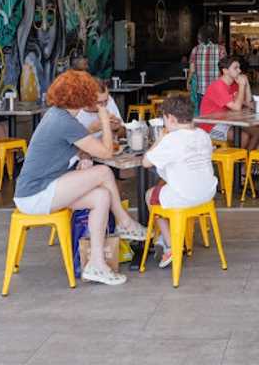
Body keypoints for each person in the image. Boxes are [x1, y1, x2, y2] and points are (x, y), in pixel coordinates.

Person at [13, 70, 147, 286]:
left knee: (101, 196)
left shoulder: (58, 115)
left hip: (46, 187)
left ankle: (96, 264)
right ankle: (124, 222)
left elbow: (82, 149)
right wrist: (103, 119)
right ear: (82, 97)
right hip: (35, 194)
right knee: (103, 172)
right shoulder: (63, 121)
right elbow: (105, 153)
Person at [142, 95, 219, 268]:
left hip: (186, 197)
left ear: (170, 118)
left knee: (150, 195)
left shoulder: (171, 140)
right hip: (207, 194)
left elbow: (146, 162)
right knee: (163, 186)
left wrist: (160, 139)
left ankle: (171, 245)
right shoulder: (203, 135)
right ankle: (167, 237)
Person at [198, 55, 259, 150]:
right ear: (225, 71)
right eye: (235, 68)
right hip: (211, 125)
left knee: (257, 131)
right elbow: (237, 107)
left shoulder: (234, 84)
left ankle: (245, 161)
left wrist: (246, 84)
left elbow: (248, 103)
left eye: (239, 68)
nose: (239, 71)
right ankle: (236, 164)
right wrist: (242, 86)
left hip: (229, 121)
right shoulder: (218, 86)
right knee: (243, 137)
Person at [187, 24, 226, 109]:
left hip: (201, 90)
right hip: (217, 90)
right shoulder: (221, 49)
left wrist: (188, 82)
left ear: (201, 35)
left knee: (203, 114)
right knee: (218, 115)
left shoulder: (195, 49)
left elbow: (192, 70)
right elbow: (224, 69)